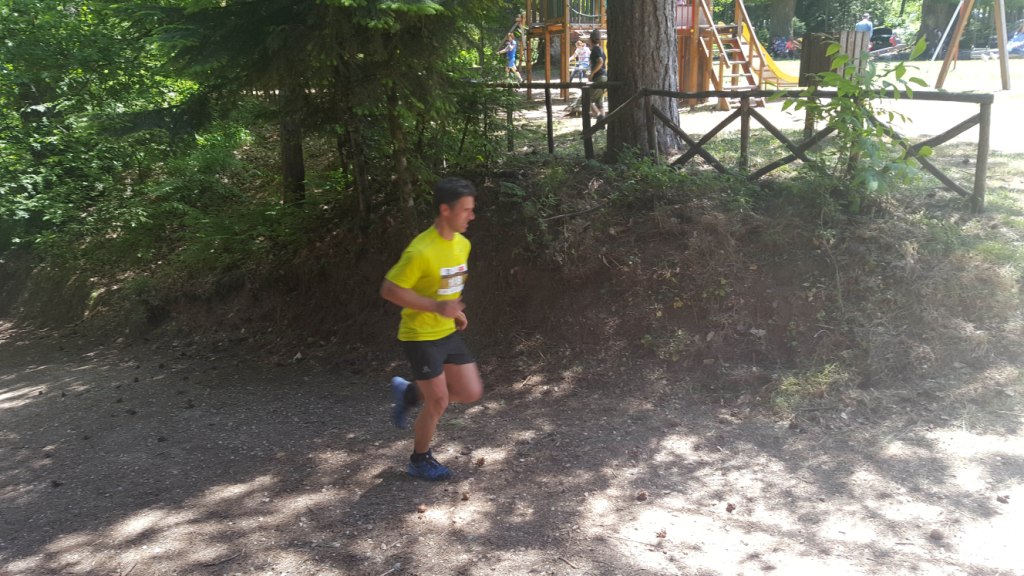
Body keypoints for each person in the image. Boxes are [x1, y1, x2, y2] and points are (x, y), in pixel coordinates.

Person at [381, 177, 484, 481]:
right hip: (419, 335)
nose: (472, 216)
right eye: (466, 210)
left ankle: (411, 393)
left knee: (470, 391)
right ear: (445, 210)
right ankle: (419, 459)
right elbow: (390, 290)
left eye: (472, 209)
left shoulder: (463, 244)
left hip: (446, 331)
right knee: (439, 400)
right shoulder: (420, 250)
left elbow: (446, 287)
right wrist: (438, 308)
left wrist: (454, 312)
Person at [588, 30, 607, 122]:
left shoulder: (595, 50)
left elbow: (600, 61)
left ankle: (599, 116)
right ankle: (602, 124)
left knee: (586, 99)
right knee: (599, 102)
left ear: (590, 40)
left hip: (599, 78)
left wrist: (592, 73)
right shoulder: (601, 49)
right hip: (604, 77)